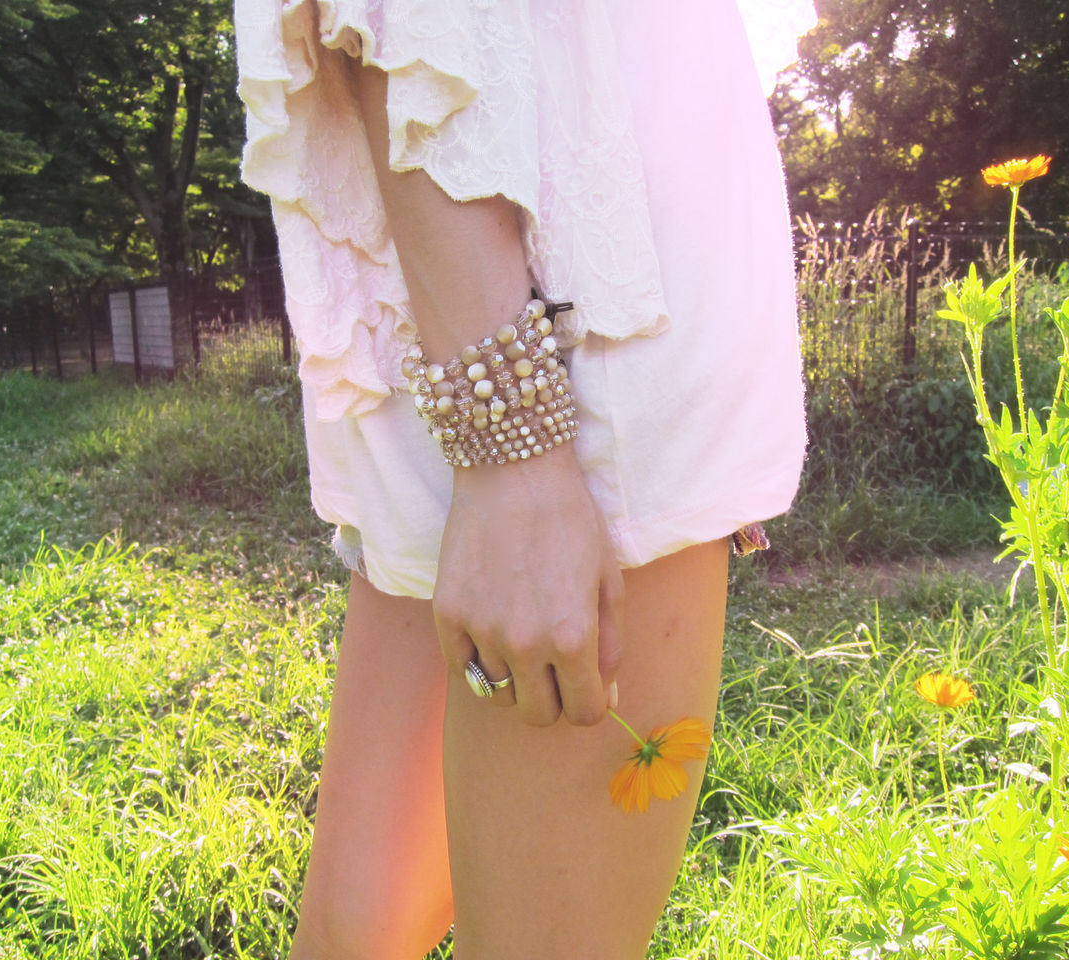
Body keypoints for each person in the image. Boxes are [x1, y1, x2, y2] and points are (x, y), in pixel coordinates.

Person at [234, 1, 811, 957]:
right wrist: (517, 459)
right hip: (576, 362)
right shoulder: (545, 442)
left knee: (357, 935)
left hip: (497, 331)